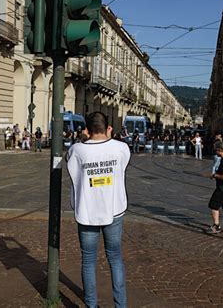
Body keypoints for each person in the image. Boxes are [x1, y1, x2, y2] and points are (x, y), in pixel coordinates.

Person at [66, 112, 130, 308]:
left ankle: (91, 305)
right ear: (108, 127)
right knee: (115, 258)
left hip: (86, 212)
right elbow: (123, 166)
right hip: (114, 210)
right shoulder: (121, 147)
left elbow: (72, 172)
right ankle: (121, 305)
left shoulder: (77, 150)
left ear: (86, 129)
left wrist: (85, 140)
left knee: (88, 261)